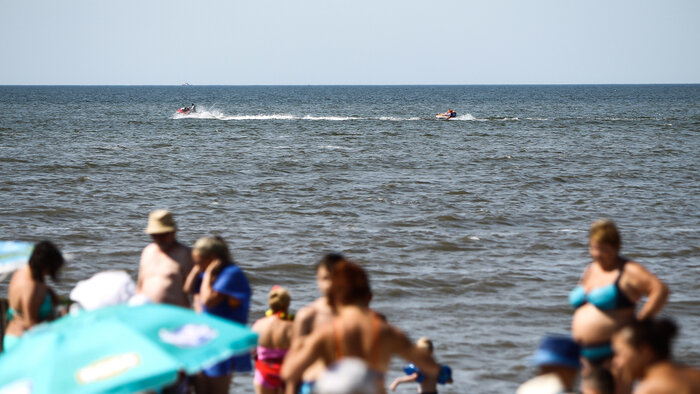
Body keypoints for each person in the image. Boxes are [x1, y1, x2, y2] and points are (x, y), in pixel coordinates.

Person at [281, 260, 440, 394]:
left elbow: (290, 372)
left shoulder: (327, 332)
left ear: (336, 299)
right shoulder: (387, 331)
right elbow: (430, 366)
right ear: (369, 297)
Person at [570, 219, 668, 368]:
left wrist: (639, 324)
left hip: (615, 355)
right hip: (585, 355)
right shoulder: (590, 269)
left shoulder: (628, 270)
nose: (596, 254)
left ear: (616, 247)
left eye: (603, 249)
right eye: (593, 248)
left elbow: (660, 290)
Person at [184, 236, 252, 394]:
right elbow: (188, 288)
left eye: (199, 261)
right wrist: (198, 268)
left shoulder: (231, 274)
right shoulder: (205, 272)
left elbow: (208, 301)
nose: (197, 265)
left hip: (223, 340)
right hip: (204, 339)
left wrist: (207, 273)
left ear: (213, 259)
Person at [288, 253, 346, 394]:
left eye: (335, 278)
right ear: (318, 280)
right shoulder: (308, 316)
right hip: (312, 384)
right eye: (325, 278)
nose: (330, 284)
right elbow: (294, 361)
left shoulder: (358, 317)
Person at [3, 241, 64, 352]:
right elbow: (30, 323)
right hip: (21, 342)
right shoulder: (29, 287)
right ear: (45, 265)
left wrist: (51, 294)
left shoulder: (26, 271)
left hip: (17, 338)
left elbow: (42, 288)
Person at [612, 318, 700, 394]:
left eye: (620, 353)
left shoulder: (649, 390)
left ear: (645, 351)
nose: (616, 362)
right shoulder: (695, 375)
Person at [136, 209, 193, 307]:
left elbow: (197, 292)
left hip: (175, 315)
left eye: (163, 235)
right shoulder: (147, 251)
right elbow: (140, 285)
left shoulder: (185, 254)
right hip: (147, 313)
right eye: (154, 235)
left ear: (173, 231)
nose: (159, 239)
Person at [252, 286, 295, 394]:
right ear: (287, 304)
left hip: (264, 373)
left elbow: (251, 351)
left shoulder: (259, 324)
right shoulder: (292, 326)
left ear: (270, 303)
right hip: (286, 373)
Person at [517, 335, 581, 394]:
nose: (544, 375)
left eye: (551, 368)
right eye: (543, 368)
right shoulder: (528, 389)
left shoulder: (527, 389)